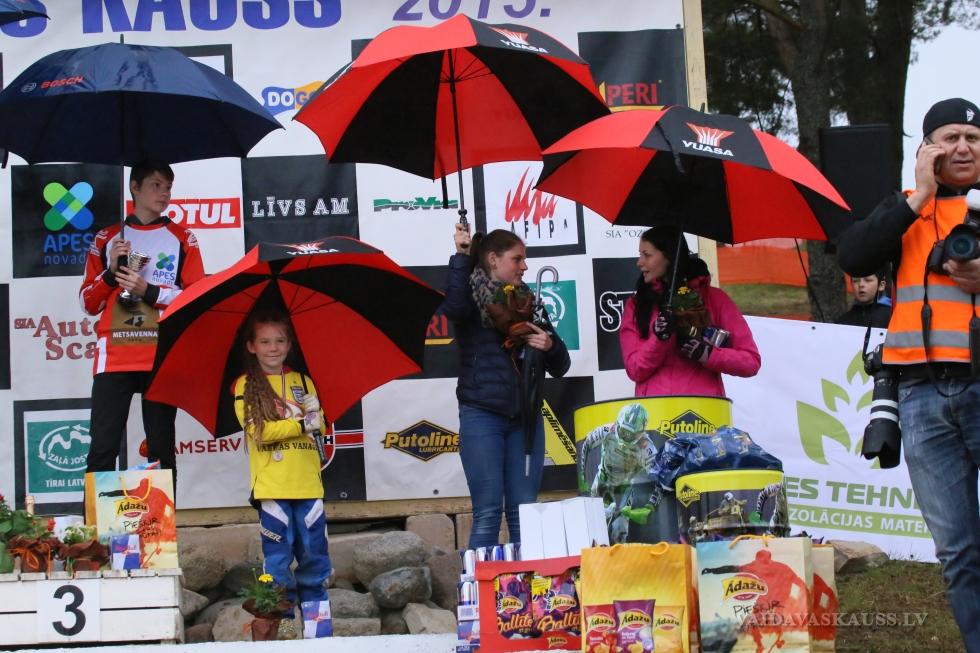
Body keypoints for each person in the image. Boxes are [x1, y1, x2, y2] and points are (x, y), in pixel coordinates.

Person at [836, 97, 980, 652]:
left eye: (973, 138)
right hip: (919, 395)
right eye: (949, 137)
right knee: (958, 551)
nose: (962, 147)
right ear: (927, 150)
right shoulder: (905, 208)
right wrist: (917, 196)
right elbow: (853, 255)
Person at [441, 224, 571, 549]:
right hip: (482, 415)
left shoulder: (528, 302)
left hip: (525, 419)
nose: (524, 266)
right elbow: (453, 308)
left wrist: (550, 345)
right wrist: (461, 256)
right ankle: (480, 583)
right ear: (493, 259)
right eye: (517, 259)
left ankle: (526, 583)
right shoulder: (471, 298)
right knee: (487, 513)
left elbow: (561, 366)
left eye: (524, 259)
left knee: (524, 515)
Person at [80, 159, 204, 483]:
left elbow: (195, 298)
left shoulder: (183, 238)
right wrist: (110, 274)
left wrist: (147, 290)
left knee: (161, 448)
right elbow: (87, 303)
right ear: (134, 187)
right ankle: (94, 518)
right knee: (103, 447)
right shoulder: (107, 238)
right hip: (114, 356)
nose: (164, 194)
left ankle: (162, 519)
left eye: (168, 187)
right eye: (156, 185)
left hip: (160, 353)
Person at [233, 308, 330, 632]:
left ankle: (319, 632)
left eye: (279, 341)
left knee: (315, 559)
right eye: (265, 342)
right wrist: (301, 423)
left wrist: (316, 417)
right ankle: (282, 632)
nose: (273, 348)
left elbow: (319, 429)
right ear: (252, 346)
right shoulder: (245, 384)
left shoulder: (303, 381)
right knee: (277, 562)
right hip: (273, 488)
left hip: (308, 485)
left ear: (289, 345)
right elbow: (259, 432)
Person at [620, 226, 761, 397]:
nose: (639, 262)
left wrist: (707, 354)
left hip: (702, 408)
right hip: (656, 408)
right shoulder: (636, 305)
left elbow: (750, 362)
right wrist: (658, 339)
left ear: (668, 256)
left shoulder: (715, 299)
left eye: (647, 255)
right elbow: (634, 370)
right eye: (640, 254)